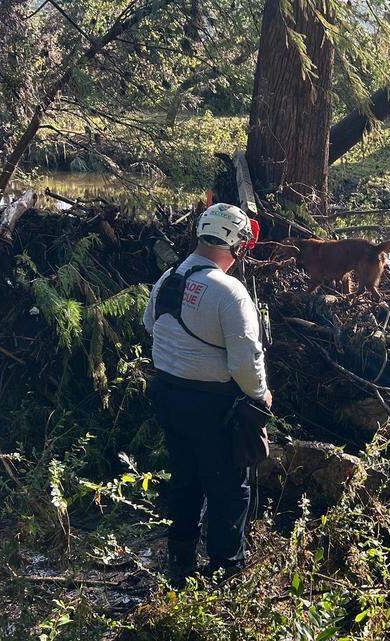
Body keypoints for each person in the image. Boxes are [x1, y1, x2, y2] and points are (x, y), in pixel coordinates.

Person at [142, 203, 272, 586]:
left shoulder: (167, 278)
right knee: (229, 488)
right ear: (236, 244)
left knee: (185, 477)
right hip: (214, 407)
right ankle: (225, 570)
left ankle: (180, 562)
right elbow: (246, 360)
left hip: (168, 396)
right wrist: (261, 395)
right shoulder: (230, 292)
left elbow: (153, 327)